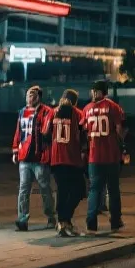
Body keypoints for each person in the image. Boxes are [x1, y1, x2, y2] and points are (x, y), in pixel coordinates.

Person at [81, 80, 128, 233]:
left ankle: (91, 222)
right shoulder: (113, 107)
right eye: (93, 90)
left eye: (95, 90)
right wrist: (122, 145)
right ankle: (115, 221)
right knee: (113, 189)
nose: (94, 93)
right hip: (111, 155)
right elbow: (120, 128)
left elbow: (83, 130)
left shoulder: (87, 108)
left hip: (94, 156)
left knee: (94, 189)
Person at [12, 85, 55, 232]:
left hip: (39, 157)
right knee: (23, 188)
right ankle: (22, 219)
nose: (29, 98)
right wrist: (15, 150)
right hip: (24, 157)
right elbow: (18, 131)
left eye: (32, 95)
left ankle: (51, 217)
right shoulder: (22, 112)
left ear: (39, 97)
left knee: (45, 188)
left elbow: (46, 132)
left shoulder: (46, 111)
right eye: (28, 95)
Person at [45, 88, 88, 237]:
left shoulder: (53, 112)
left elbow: (45, 133)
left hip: (56, 158)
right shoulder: (78, 113)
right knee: (79, 190)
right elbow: (83, 135)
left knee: (62, 190)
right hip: (72, 158)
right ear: (75, 101)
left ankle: (63, 222)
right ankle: (64, 219)